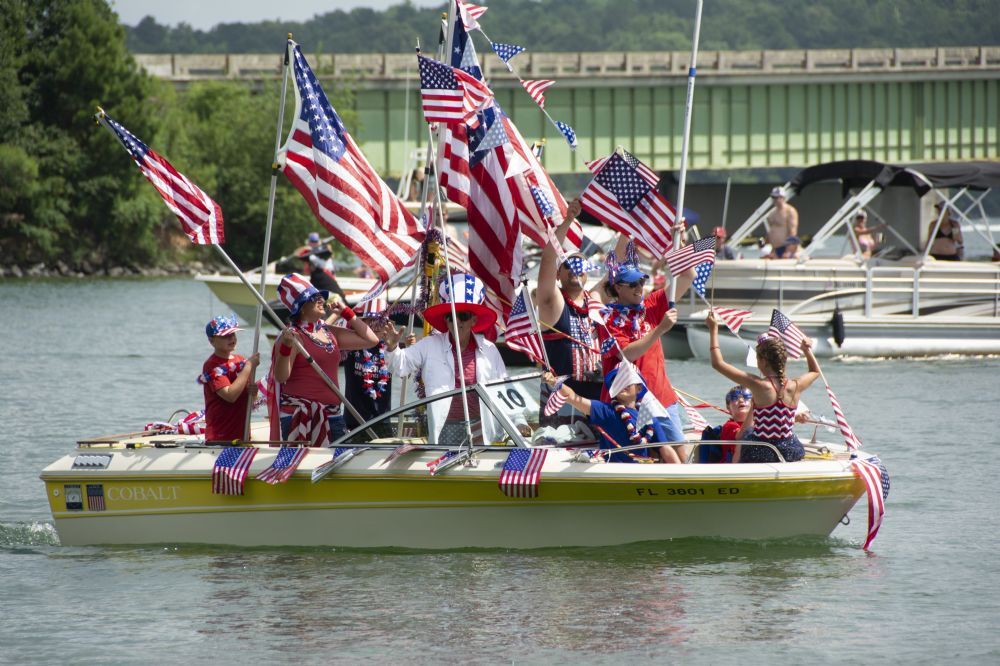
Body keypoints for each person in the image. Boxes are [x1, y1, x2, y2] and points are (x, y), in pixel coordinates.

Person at [384, 273, 511, 447]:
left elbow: (503, 391)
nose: (457, 321)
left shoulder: (490, 350)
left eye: (463, 316)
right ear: (446, 319)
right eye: (451, 316)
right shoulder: (430, 345)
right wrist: (392, 348)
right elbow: (400, 366)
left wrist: (518, 423)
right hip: (445, 427)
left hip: (484, 426)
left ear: (474, 320)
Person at [597, 239, 692, 462]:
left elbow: (687, 277)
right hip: (629, 402)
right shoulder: (606, 319)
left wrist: (679, 245)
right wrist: (660, 329)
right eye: (633, 284)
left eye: (641, 282)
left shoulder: (651, 304)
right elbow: (627, 353)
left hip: (662, 394)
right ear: (618, 287)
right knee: (646, 456)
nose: (640, 287)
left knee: (679, 453)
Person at [271, 273, 378, 447]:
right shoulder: (291, 336)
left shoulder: (329, 332)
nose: (321, 300)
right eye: (314, 298)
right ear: (302, 307)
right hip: (298, 417)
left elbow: (371, 340)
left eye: (320, 296)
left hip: (333, 415)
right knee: (302, 468)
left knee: (340, 465)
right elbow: (281, 377)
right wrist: (286, 347)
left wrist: (347, 313)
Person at [705, 311, 820, 463]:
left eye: (757, 359)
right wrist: (806, 351)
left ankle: (735, 467)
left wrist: (713, 329)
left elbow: (718, 364)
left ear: (763, 361)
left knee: (746, 434)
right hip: (790, 450)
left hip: (762, 451)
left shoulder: (758, 385)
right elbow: (815, 371)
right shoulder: (795, 385)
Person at [535, 198, 604, 425]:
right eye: (568, 266)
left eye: (581, 267)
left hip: (596, 395)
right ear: (558, 275)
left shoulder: (593, 300)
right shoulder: (552, 302)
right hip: (561, 399)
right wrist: (568, 221)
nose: (576, 270)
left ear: (587, 274)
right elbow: (547, 261)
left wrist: (627, 228)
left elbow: (619, 269)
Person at [542, 362, 681, 464]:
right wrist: (554, 382)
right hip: (615, 473)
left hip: (642, 473)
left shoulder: (649, 418)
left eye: (627, 380)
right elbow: (572, 397)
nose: (622, 384)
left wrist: (681, 476)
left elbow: (666, 449)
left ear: (639, 388)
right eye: (617, 380)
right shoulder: (605, 410)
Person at [201, 315, 260, 442]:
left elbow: (250, 401)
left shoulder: (241, 360)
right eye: (225, 336)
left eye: (233, 334)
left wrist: (254, 393)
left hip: (242, 432)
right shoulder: (212, 365)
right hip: (220, 435)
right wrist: (249, 366)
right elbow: (230, 395)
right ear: (212, 341)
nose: (231, 338)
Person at [342, 315, 394, 437]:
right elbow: (323, 332)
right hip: (354, 421)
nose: (376, 325)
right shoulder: (350, 346)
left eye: (381, 321)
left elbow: (405, 374)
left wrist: (407, 346)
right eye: (371, 320)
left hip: (382, 421)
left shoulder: (391, 350)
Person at [697, 386, 752, 463]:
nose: (741, 400)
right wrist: (753, 410)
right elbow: (742, 435)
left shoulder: (760, 423)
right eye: (734, 398)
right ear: (728, 407)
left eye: (746, 397)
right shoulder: (729, 426)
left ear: (752, 402)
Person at [765, 187, 800, 259]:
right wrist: (772, 249)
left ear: (783, 198)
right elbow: (772, 232)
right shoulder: (772, 213)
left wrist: (788, 251)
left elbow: (792, 232)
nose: (775, 200)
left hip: (786, 249)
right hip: (776, 249)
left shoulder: (790, 211)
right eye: (773, 197)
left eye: (777, 197)